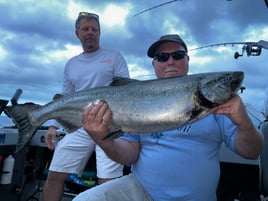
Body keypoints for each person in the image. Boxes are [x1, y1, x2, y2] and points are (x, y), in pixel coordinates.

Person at [73, 34, 263, 201]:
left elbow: (252, 152)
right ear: (154, 64)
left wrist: (244, 123)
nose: (170, 61)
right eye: (162, 57)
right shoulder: (135, 98)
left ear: (187, 59)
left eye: (177, 55)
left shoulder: (221, 106)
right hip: (141, 190)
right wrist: (103, 141)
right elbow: (129, 155)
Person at [43, 12, 129, 201]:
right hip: (79, 125)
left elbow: (126, 89)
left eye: (94, 29)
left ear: (99, 33)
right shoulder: (71, 64)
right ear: (77, 33)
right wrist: (53, 126)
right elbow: (64, 98)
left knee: (108, 182)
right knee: (54, 175)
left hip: (109, 125)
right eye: (85, 29)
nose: (90, 32)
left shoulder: (114, 56)